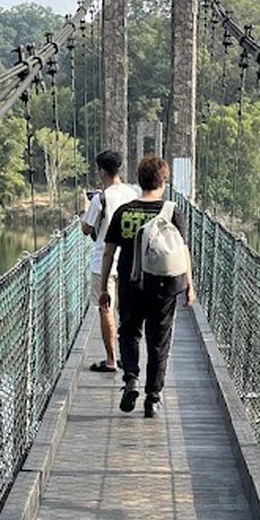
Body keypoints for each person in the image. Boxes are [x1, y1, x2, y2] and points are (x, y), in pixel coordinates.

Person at [99, 155, 196, 418]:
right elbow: (183, 250)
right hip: (164, 285)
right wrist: (189, 285)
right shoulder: (173, 212)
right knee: (158, 341)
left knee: (129, 332)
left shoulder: (124, 211)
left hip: (131, 283)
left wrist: (104, 287)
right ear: (163, 181)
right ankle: (152, 398)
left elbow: (108, 253)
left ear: (139, 181)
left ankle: (130, 379)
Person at [80, 150, 140, 373]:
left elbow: (86, 230)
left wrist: (83, 209)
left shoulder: (100, 198)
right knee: (127, 313)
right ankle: (128, 358)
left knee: (106, 310)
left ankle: (111, 360)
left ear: (102, 171)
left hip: (102, 263)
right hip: (131, 262)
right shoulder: (134, 194)